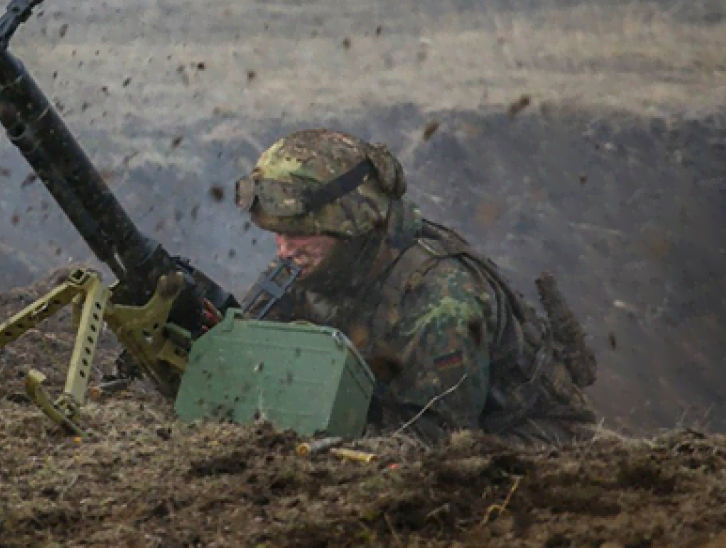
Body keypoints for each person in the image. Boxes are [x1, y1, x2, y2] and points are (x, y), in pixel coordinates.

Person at [233, 128, 599, 445]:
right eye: (277, 233)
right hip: (390, 421)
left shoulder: (441, 300)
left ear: (352, 225)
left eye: (299, 234)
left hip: (526, 445)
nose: (284, 250)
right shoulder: (315, 264)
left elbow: (438, 445)